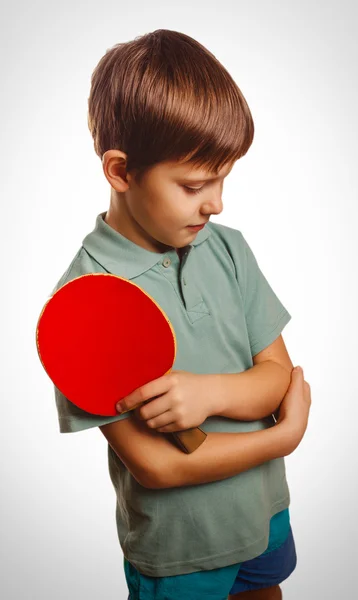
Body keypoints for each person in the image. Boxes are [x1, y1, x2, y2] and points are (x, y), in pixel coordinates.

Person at [50, 29, 312, 600]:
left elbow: (277, 378)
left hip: (264, 514)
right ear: (120, 172)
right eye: (194, 184)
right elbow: (158, 468)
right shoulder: (83, 302)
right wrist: (283, 436)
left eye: (222, 178)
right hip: (180, 551)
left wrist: (210, 395)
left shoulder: (229, 248)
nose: (216, 202)